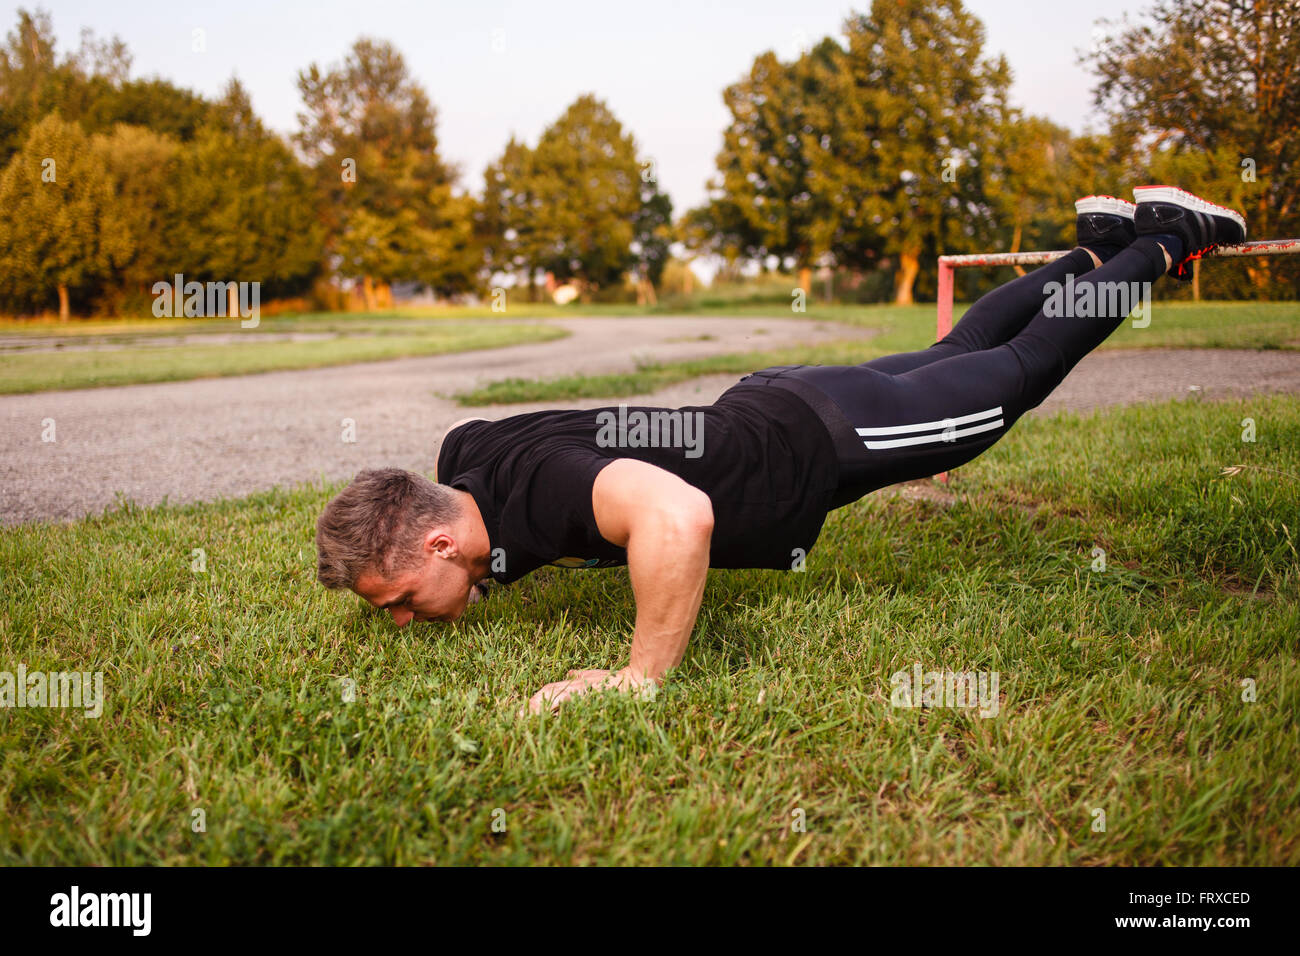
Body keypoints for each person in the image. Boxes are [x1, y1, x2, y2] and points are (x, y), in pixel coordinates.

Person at [314, 186, 1246, 715]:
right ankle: (1094, 249)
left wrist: (639, 679)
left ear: (437, 544)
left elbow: (680, 516)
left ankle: (1167, 241)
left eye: (398, 603)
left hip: (821, 438)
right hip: (767, 404)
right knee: (959, 356)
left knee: (1014, 379)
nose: (404, 621)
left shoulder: (553, 494)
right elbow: (507, 486)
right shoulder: (465, 459)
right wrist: (492, 570)